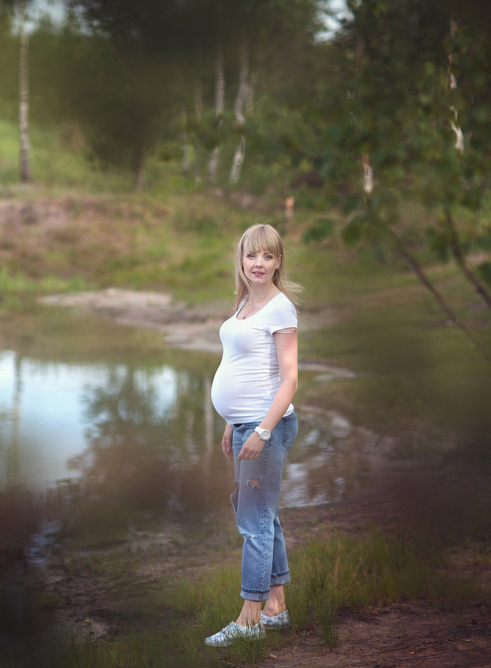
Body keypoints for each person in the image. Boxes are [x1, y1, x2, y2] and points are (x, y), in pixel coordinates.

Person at [205, 223, 300, 647]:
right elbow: (245, 367)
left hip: (268, 427)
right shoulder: (245, 301)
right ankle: (276, 607)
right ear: (241, 260)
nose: (257, 263)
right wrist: (232, 421)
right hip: (246, 424)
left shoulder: (280, 308)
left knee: (254, 522)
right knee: (262, 514)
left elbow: (289, 378)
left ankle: (250, 619)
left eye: (267, 256)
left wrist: (261, 429)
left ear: (278, 261)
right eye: (250, 255)